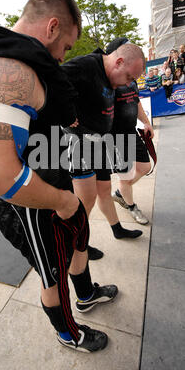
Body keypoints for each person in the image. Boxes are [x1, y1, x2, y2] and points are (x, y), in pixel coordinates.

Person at [0, 0, 118, 353]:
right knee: (52, 273)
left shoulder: (30, 66)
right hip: (28, 201)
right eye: (66, 46)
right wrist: (62, 200)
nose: (63, 56)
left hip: (52, 184)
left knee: (79, 238)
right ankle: (68, 334)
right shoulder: (4, 71)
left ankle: (86, 293)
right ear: (52, 27)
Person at [61, 41, 145, 254]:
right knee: (85, 201)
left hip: (100, 144)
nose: (126, 84)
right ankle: (78, 245)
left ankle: (116, 229)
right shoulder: (86, 66)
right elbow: (52, 82)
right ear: (118, 62)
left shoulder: (109, 74)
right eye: (128, 77)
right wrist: (66, 114)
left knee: (105, 192)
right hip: (80, 144)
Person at [104, 37, 154, 225]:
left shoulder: (131, 80)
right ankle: (130, 205)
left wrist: (146, 123)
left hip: (131, 131)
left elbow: (136, 101)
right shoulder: (110, 79)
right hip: (115, 137)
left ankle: (120, 193)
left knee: (144, 167)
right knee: (125, 175)